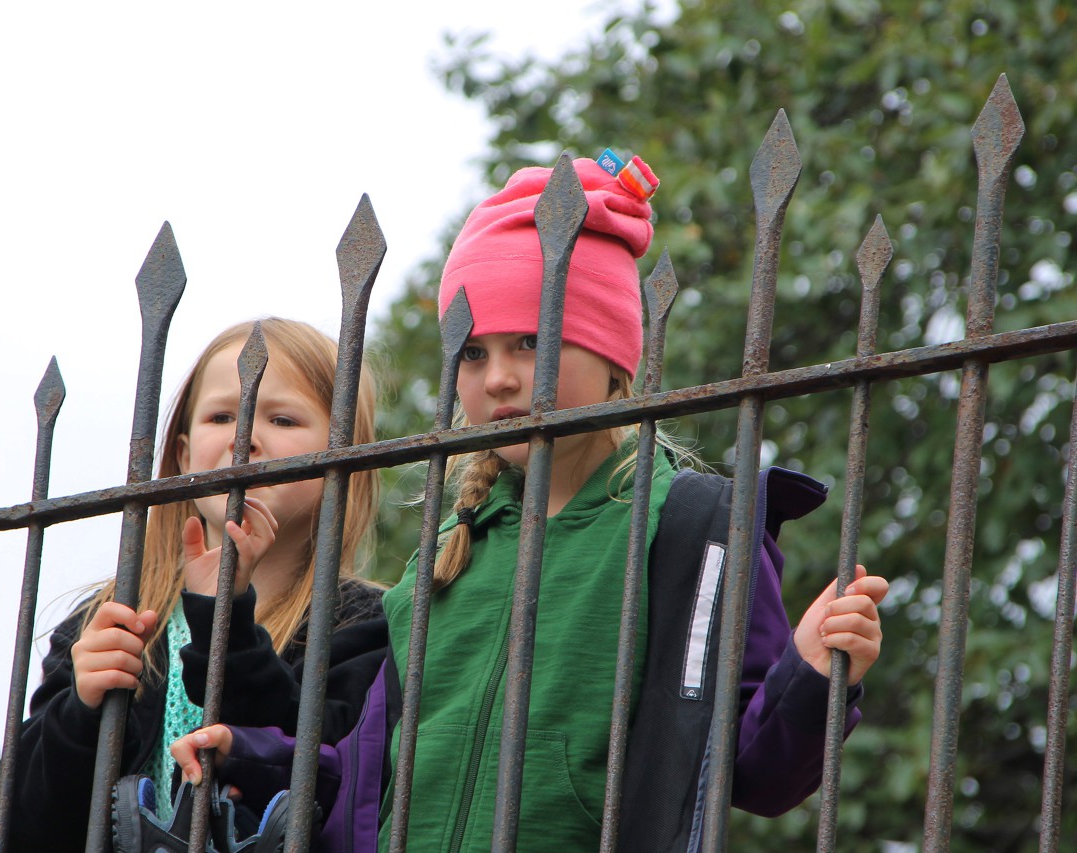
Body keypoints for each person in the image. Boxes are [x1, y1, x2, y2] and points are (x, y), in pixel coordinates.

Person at [174, 154, 890, 852]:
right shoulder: (448, 551)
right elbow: (370, 772)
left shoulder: (694, 528)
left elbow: (752, 774)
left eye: (530, 341)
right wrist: (257, 751)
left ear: (614, 356)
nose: (502, 379)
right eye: (476, 354)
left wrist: (810, 671)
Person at [0, 318, 388, 853]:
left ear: (347, 456)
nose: (245, 436)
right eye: (221, 416)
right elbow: (13, 822)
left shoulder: (367, 623)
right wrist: (80, 710)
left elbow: (335, 785)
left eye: (284, 418)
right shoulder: (109, 616)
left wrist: (228, 620)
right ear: (181, 454)